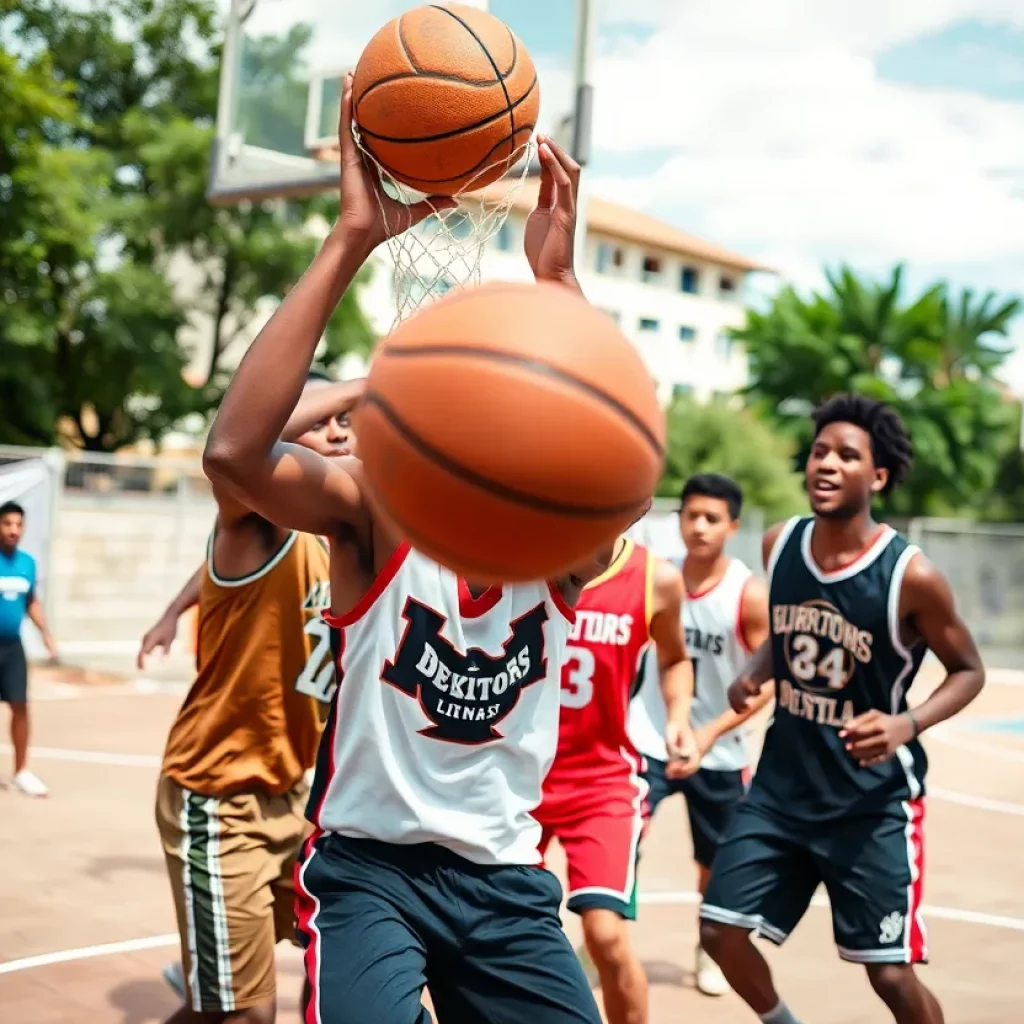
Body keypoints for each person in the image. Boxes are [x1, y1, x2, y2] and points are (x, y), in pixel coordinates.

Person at [201, 74, 675, 1024]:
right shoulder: (376, 520)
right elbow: (235, 453)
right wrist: (350, 239)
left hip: (505, 877)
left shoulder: (562, 543)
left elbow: (617, 452)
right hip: (371, 872)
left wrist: (559, 284)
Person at [698, 395, 986, 1024]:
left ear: (877, 477)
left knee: (888, 974)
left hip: (870, 801)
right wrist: (754, 670)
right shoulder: (782, 544)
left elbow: (970, 671)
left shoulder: (911, 576)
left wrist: (906, 723)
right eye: (819, 451)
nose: (826, 463)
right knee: (719, 932)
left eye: (846, 455)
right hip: (782, 786)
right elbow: (786, 633)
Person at [146, 375, 360, 1024]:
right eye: (321, 419)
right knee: (245, 1016)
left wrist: (175, 608)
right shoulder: (258, 523)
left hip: (294, 792)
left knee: (329, 958)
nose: (339, 430)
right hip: (221, 794)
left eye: (346, 419)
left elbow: (214, 560)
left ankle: (210, 976)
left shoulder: (338, 535)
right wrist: (376, 381)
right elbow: (241, 442)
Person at [536, 536, 693, 1024]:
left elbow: (675, 659)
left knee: (605, 934)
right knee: (487, 930)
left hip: (600, 783)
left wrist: (679, 718)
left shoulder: (655, 578)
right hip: (516, 779)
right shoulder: (524, 557)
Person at [628, 472, 771, 998]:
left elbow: (763, 683)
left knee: (713, 864)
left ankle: (704, 949)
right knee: (623, 846)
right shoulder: (657, 578)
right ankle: (607, 942)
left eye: (713, 518)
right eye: (692, 515)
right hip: (649, 738)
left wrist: (708, 733)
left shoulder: (747, 593)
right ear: (679, 518)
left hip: (718, 749)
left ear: (732, 526)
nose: (700, 527)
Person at [0, 500, 59, 797]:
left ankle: (22, 771)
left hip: (12, 648)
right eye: (7, 524)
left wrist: (46, 633)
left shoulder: (27, 564)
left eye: (18, 525)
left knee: (20, 706)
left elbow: (31, 601)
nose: (13, 530)